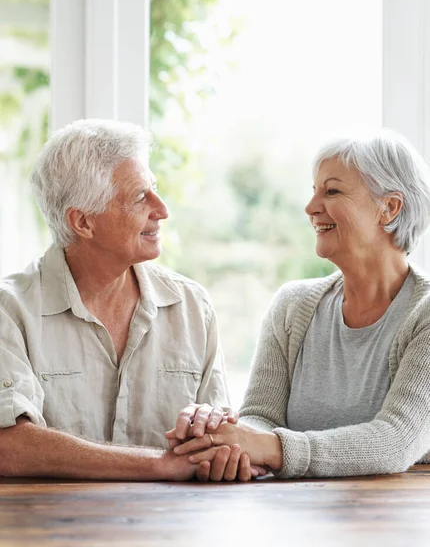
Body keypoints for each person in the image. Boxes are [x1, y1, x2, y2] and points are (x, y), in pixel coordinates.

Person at [0, 119, 258, 482]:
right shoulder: (9, 311)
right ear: (83, 222)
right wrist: (159, 464)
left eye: (154, 189)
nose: (162, 208)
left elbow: (219, 438)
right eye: (140, 196)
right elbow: (8, 446)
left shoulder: (191, 306)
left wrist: (222, 447)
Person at [167, 128, 430, 479]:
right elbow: (261, 416)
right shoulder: (293, 305)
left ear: (389, 208)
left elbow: (396, 441)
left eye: (331, 190)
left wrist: (271, 448)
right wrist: (228, 442)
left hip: (399, 524)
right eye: (313, 191)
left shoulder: (423, 313)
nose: (310, 208)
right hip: (296, 519)